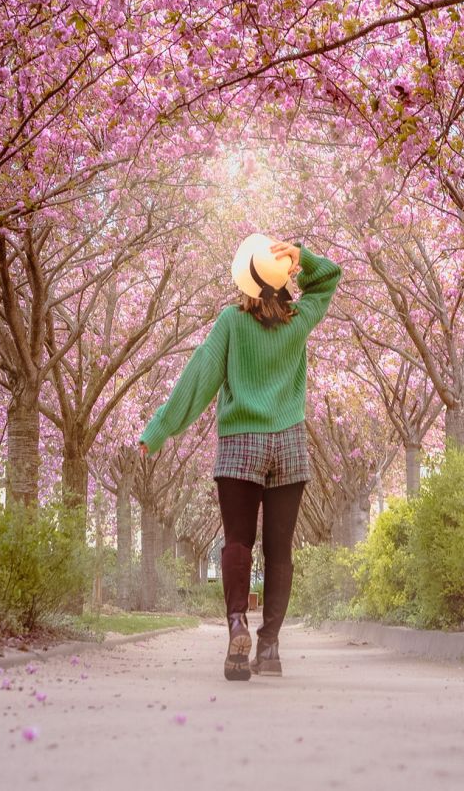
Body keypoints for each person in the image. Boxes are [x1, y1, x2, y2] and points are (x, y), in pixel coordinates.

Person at [137, 234, 342, 681]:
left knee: (237, 542)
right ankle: (269, 648)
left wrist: (159, 430)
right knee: (279, 551)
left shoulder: (231, 322)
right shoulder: (299, 319)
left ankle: (236, 625)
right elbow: (329, 278)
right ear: (282, 280)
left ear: (245, 282)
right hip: (289, 445)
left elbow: (199, 376)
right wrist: (301, 256)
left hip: (241, 444)